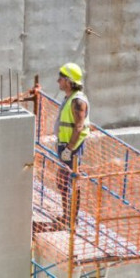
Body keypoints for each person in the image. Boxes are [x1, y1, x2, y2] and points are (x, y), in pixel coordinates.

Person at [53, 62, 90, 230]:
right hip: (65, 146)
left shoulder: (78, 101)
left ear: (68, 81)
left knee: (70, 183)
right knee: (63, 182)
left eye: (61, 79)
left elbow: (79, 126)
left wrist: (69, 149)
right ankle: (67, 217)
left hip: (72, 148)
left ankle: (71, 220)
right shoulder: (69, 98)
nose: (58, 81)